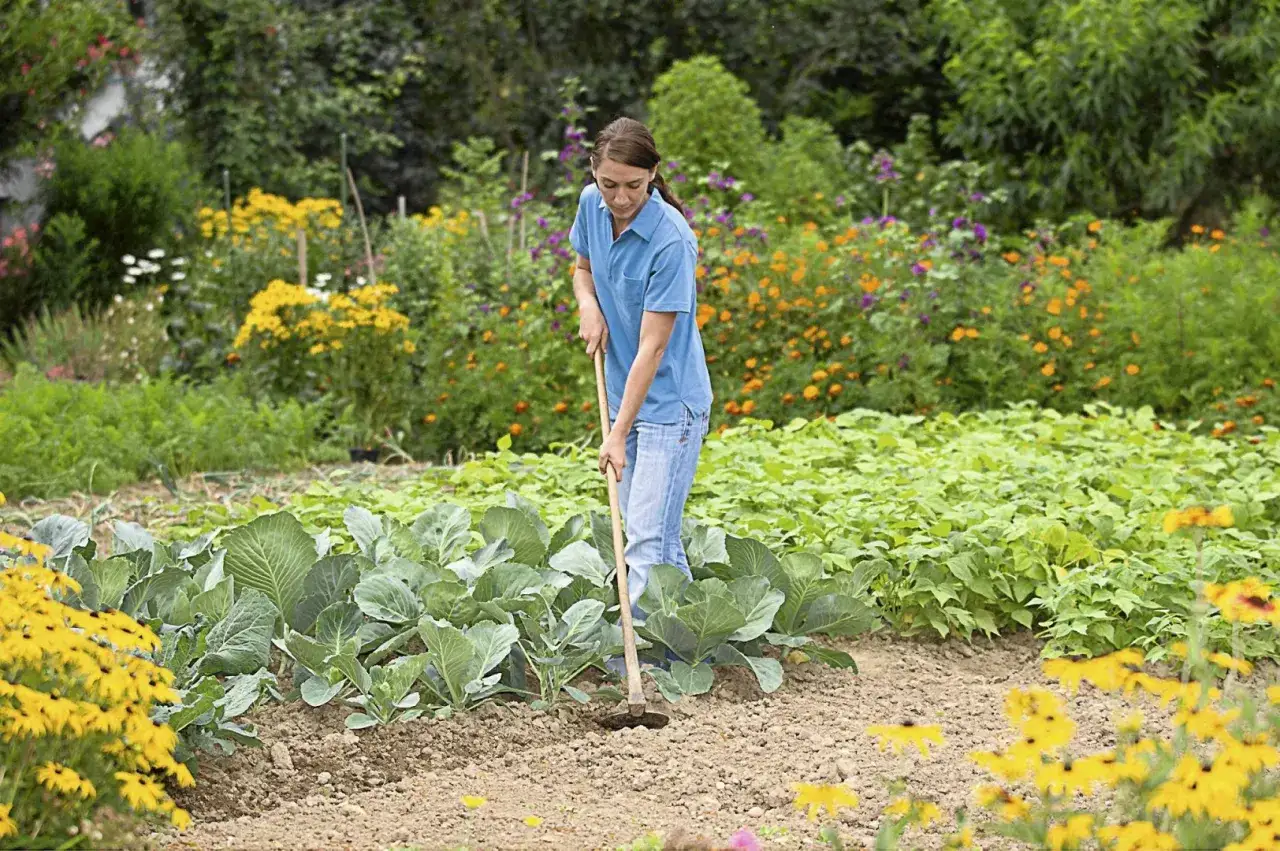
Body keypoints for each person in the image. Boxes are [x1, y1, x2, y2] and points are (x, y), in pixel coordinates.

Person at [568, 116, 713, 629]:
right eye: (609, 183)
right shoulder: (592, 204)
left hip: (669, 407)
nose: (620, 197)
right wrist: (589, 305)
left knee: (647, 539)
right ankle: (692, 639)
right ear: (594, 171)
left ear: (653, 174)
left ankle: (644, 660)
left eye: (633, 185)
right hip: (623, 392)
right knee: (654, 537)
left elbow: (652, 348)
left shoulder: (671, 241)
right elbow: (582, 269)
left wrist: (618, 435)